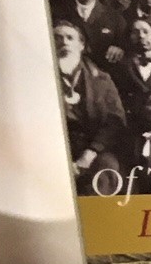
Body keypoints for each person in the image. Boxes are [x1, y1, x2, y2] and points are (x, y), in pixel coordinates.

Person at [54, 20, 126, 193]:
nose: (64, 42)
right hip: (53, 149)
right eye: (57, 38)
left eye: (70, 38)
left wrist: (89, 154)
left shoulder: (102, 80)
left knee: (107, 168)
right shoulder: (38, 77)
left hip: (93, 149)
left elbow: (115, 121)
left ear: (81, 45)